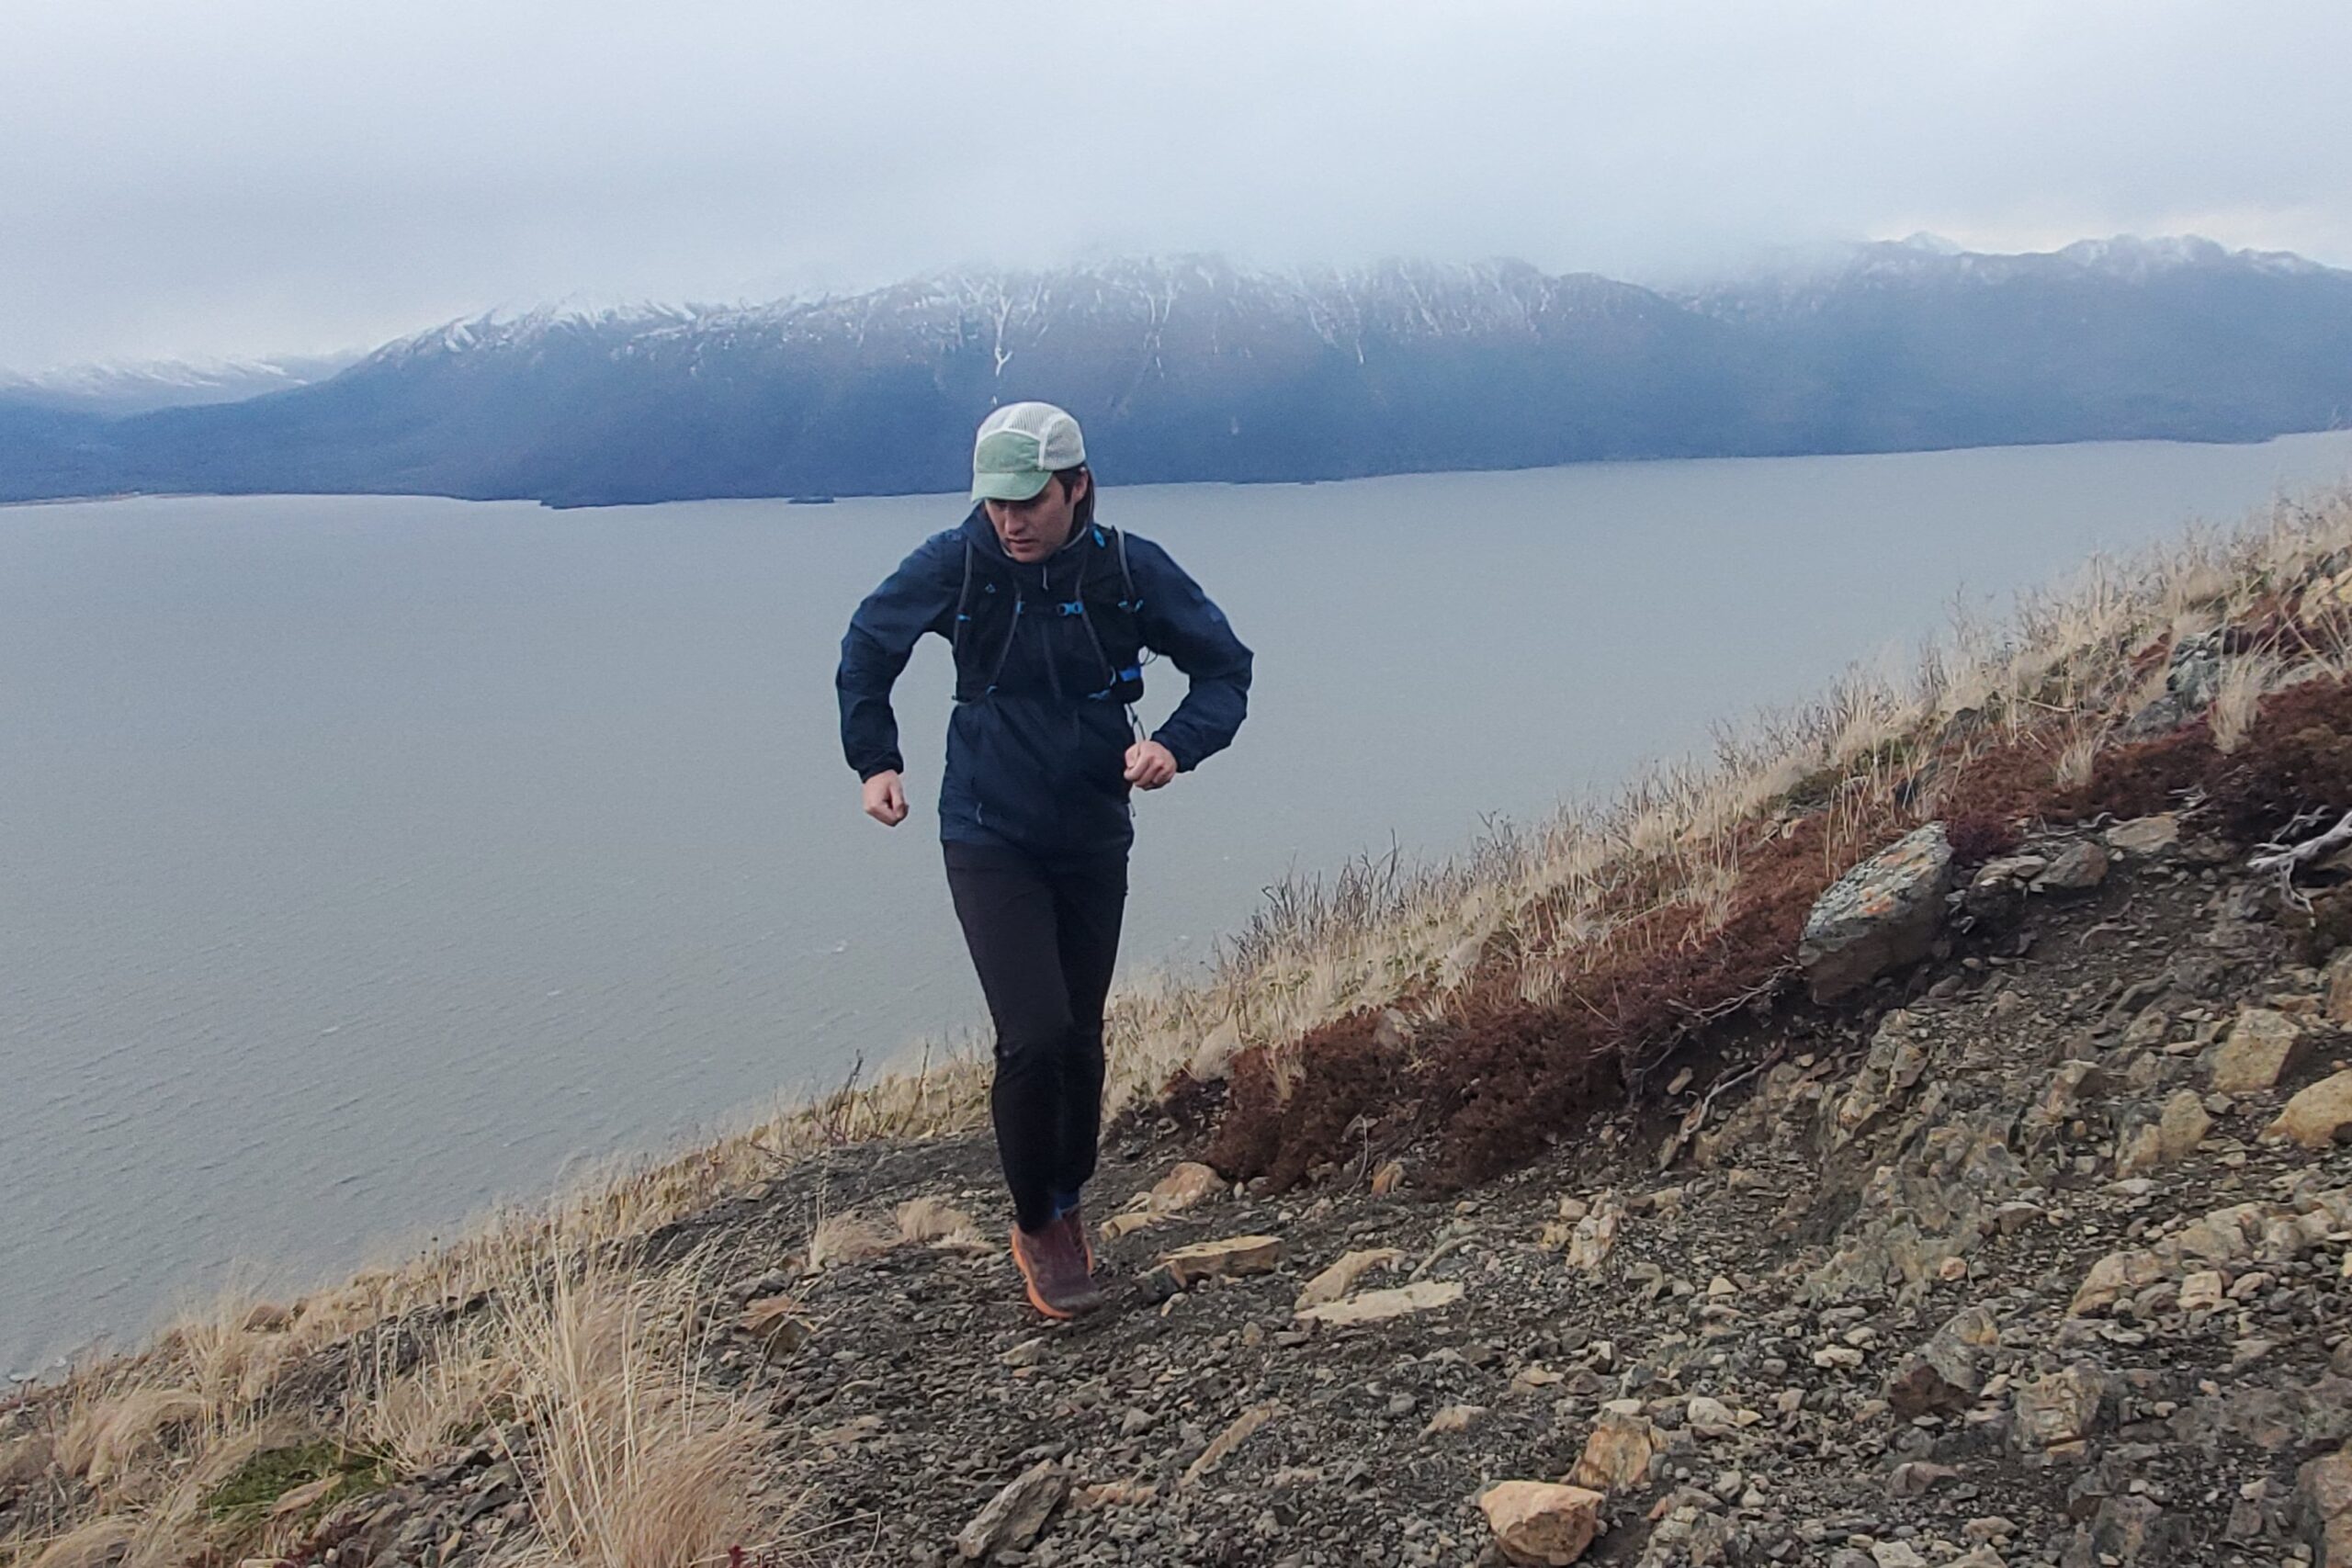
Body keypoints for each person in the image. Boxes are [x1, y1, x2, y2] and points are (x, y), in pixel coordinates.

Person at [835, 401, 1253, 1318]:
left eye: (1029, 501)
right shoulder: (960, 562)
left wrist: (1176, 745)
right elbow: (868, 649)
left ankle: (1068, 1198)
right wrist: (875, 759)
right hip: (987, 831)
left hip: (1093, 831)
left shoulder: (1127, 570)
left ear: (1077, 488)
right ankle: (1037, 1224)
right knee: (1032, 1035)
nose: (1010, 520)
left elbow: (1226, 669)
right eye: (995, 503)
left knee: (1081, 1036)